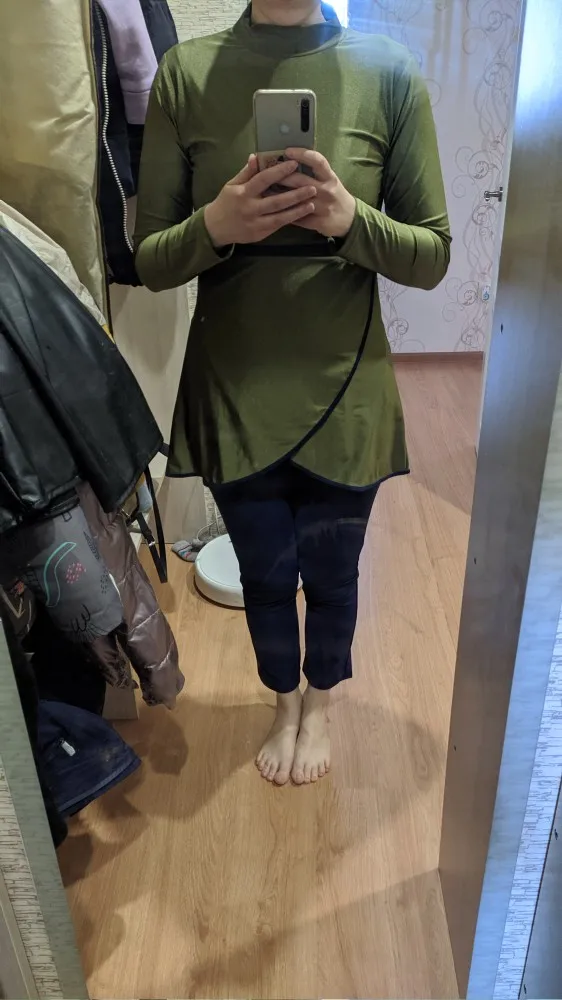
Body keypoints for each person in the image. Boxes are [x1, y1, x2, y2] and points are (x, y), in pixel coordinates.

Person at [134, 0, 451, 786]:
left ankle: (321, 704)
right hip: (233, 388)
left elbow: (432, 255)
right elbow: (150, 260)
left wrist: (350, 220)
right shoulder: (185, 75)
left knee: (335, 575)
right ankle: (284, 703)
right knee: (267, 575)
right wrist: (218, 224)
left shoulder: (389, 73)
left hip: (348, 388)